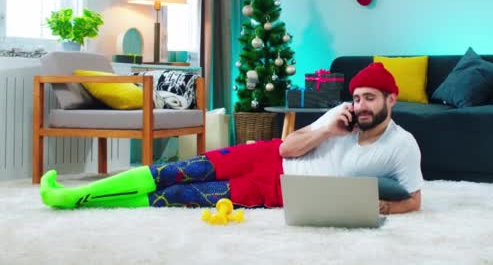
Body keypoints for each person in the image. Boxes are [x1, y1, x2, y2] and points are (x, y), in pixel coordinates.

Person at [40, 62, 423, 214]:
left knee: (177, 197)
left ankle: (82, 202)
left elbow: (414, 199)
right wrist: (327, 127)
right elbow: (288, 146)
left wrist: (384, 208)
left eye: (369, 99)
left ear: (391, 99)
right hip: (266, 155)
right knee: (175, 171)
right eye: (357, 98)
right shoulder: (339, 117)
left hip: (278, 191)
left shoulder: (402, 145)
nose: (360, 106)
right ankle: (69, 195)